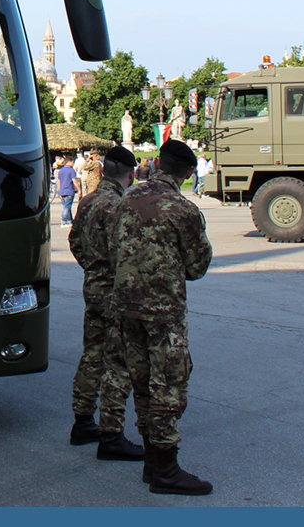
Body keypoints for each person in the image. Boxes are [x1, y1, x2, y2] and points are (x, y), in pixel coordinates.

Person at [111, 139, 213, 495]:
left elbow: (113, 250)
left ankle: (153, 464)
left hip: (125, 306)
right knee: (169, 386)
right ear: (187, 172)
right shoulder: (182, 209)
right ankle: (166, 469)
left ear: (157, 165)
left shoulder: (126, 201)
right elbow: (198, 266)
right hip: (163, 312)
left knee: (141, 383)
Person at [68, 145, 143, 460]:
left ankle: (83, 421)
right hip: (115, 292)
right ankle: (112, 435)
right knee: (119, 362)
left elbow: (74, 242)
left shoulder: (88, 201)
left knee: (92, 354)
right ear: (132, 174)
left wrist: (93, 268)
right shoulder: (119, 206)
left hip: (93, 288)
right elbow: (125, 255)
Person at [56, 156, 81, 227]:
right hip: (69, 190)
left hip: (62, 190)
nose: (73, 164)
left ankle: (70, 221)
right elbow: (74, 180)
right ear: (69, 161)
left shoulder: (61, 171)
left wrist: (60, 191)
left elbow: (59, 181)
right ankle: (63, 221)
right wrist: (79, 189)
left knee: (67, 206)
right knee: (67, 207)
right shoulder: (71, 170)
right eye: (73, 162)